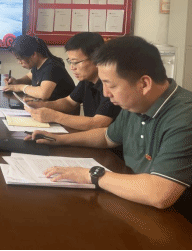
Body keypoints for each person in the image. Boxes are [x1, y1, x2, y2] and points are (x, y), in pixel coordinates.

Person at [26, 36, 192, 210]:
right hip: (135, 198)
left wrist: (91, 175)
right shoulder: (136, 103)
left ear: (144, 84)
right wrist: (58, 139)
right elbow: (106, 137)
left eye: (110, 85)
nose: (105, 93)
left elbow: (159, 194)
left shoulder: (184, 116)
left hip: (178, 217)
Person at [25, 32, 121, 130]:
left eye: (75, 62)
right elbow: (69, 102)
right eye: (70, 62)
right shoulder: (87, 80)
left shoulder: (110, 85)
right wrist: (41, 104)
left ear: (96, 58)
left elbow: (98, 123)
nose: (72, 67)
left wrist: (55, 116)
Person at [4, 35, 75, 101]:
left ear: (33, 54)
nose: (19, 62)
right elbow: (28, 78)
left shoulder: (52, 67)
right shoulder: (37, 65)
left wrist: (20, 87)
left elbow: (43, 94)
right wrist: (16, 82)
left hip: (62, 109)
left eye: (20, 59)